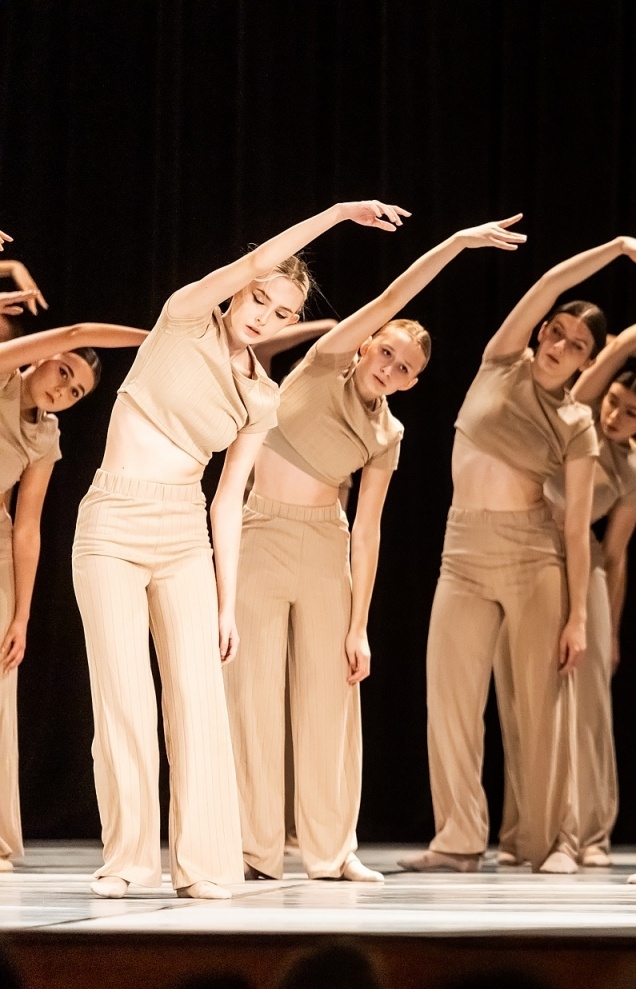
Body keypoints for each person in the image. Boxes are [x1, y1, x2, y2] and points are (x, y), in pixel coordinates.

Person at [76, 198, 407, 899]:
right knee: (125, 697)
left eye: (283, 313)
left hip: (183, 533)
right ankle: (129, 859)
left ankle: (201, 865)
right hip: (113, 519)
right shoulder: (184, 318)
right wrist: (339, 213)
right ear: (239, 290)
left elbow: (228, 500)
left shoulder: (262, 396)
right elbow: (259, 258)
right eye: (260, 299)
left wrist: (227, 604)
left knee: (199, 700)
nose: (265, 317)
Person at [225, 215, 525, 883]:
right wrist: (456, 243)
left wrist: (359, 625)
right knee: (253, 695)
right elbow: (393, 296)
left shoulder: (388, 433)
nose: (391, 367)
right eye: (386, 352)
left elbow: (369, 529)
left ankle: (331, 851)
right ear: (366, 346)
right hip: (262, 533)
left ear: (413, 383)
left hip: (325, 550)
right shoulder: (323, 364)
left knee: (330, 702)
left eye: (406, 368)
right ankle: (254, 850)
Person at [400, 233, 636, 875]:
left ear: (587, 361)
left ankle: (551, 842)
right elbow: (549, 282)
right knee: (451, 700)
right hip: (463, 550)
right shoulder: (500, 361)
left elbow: (577, 530)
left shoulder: (577, 423)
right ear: (543, 331)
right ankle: (459, 839)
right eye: (558, 334)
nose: (561, 348)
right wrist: (615, 248)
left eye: (578, 347)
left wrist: (579, 616)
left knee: (543, 710)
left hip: (533, 558)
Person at [496, 309, 636, 870]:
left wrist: (612, 631)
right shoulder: (578, 416)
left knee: (589, 706)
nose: (616, 415)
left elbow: (615, 556)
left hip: (588, 573)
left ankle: (591, 832)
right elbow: (614, 348)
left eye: (632, 413)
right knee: (524, 695)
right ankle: (526, 829)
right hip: (531, 553)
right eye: (615, 401)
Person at [0, 323, 148, 870]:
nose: (63, 390)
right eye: (63, 372)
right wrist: (156, 336)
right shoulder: (3, 376)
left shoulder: (45, 436)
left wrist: (21, 614)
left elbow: (26, 527)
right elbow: (80, 329)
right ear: (44, 356)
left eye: (76, 391)